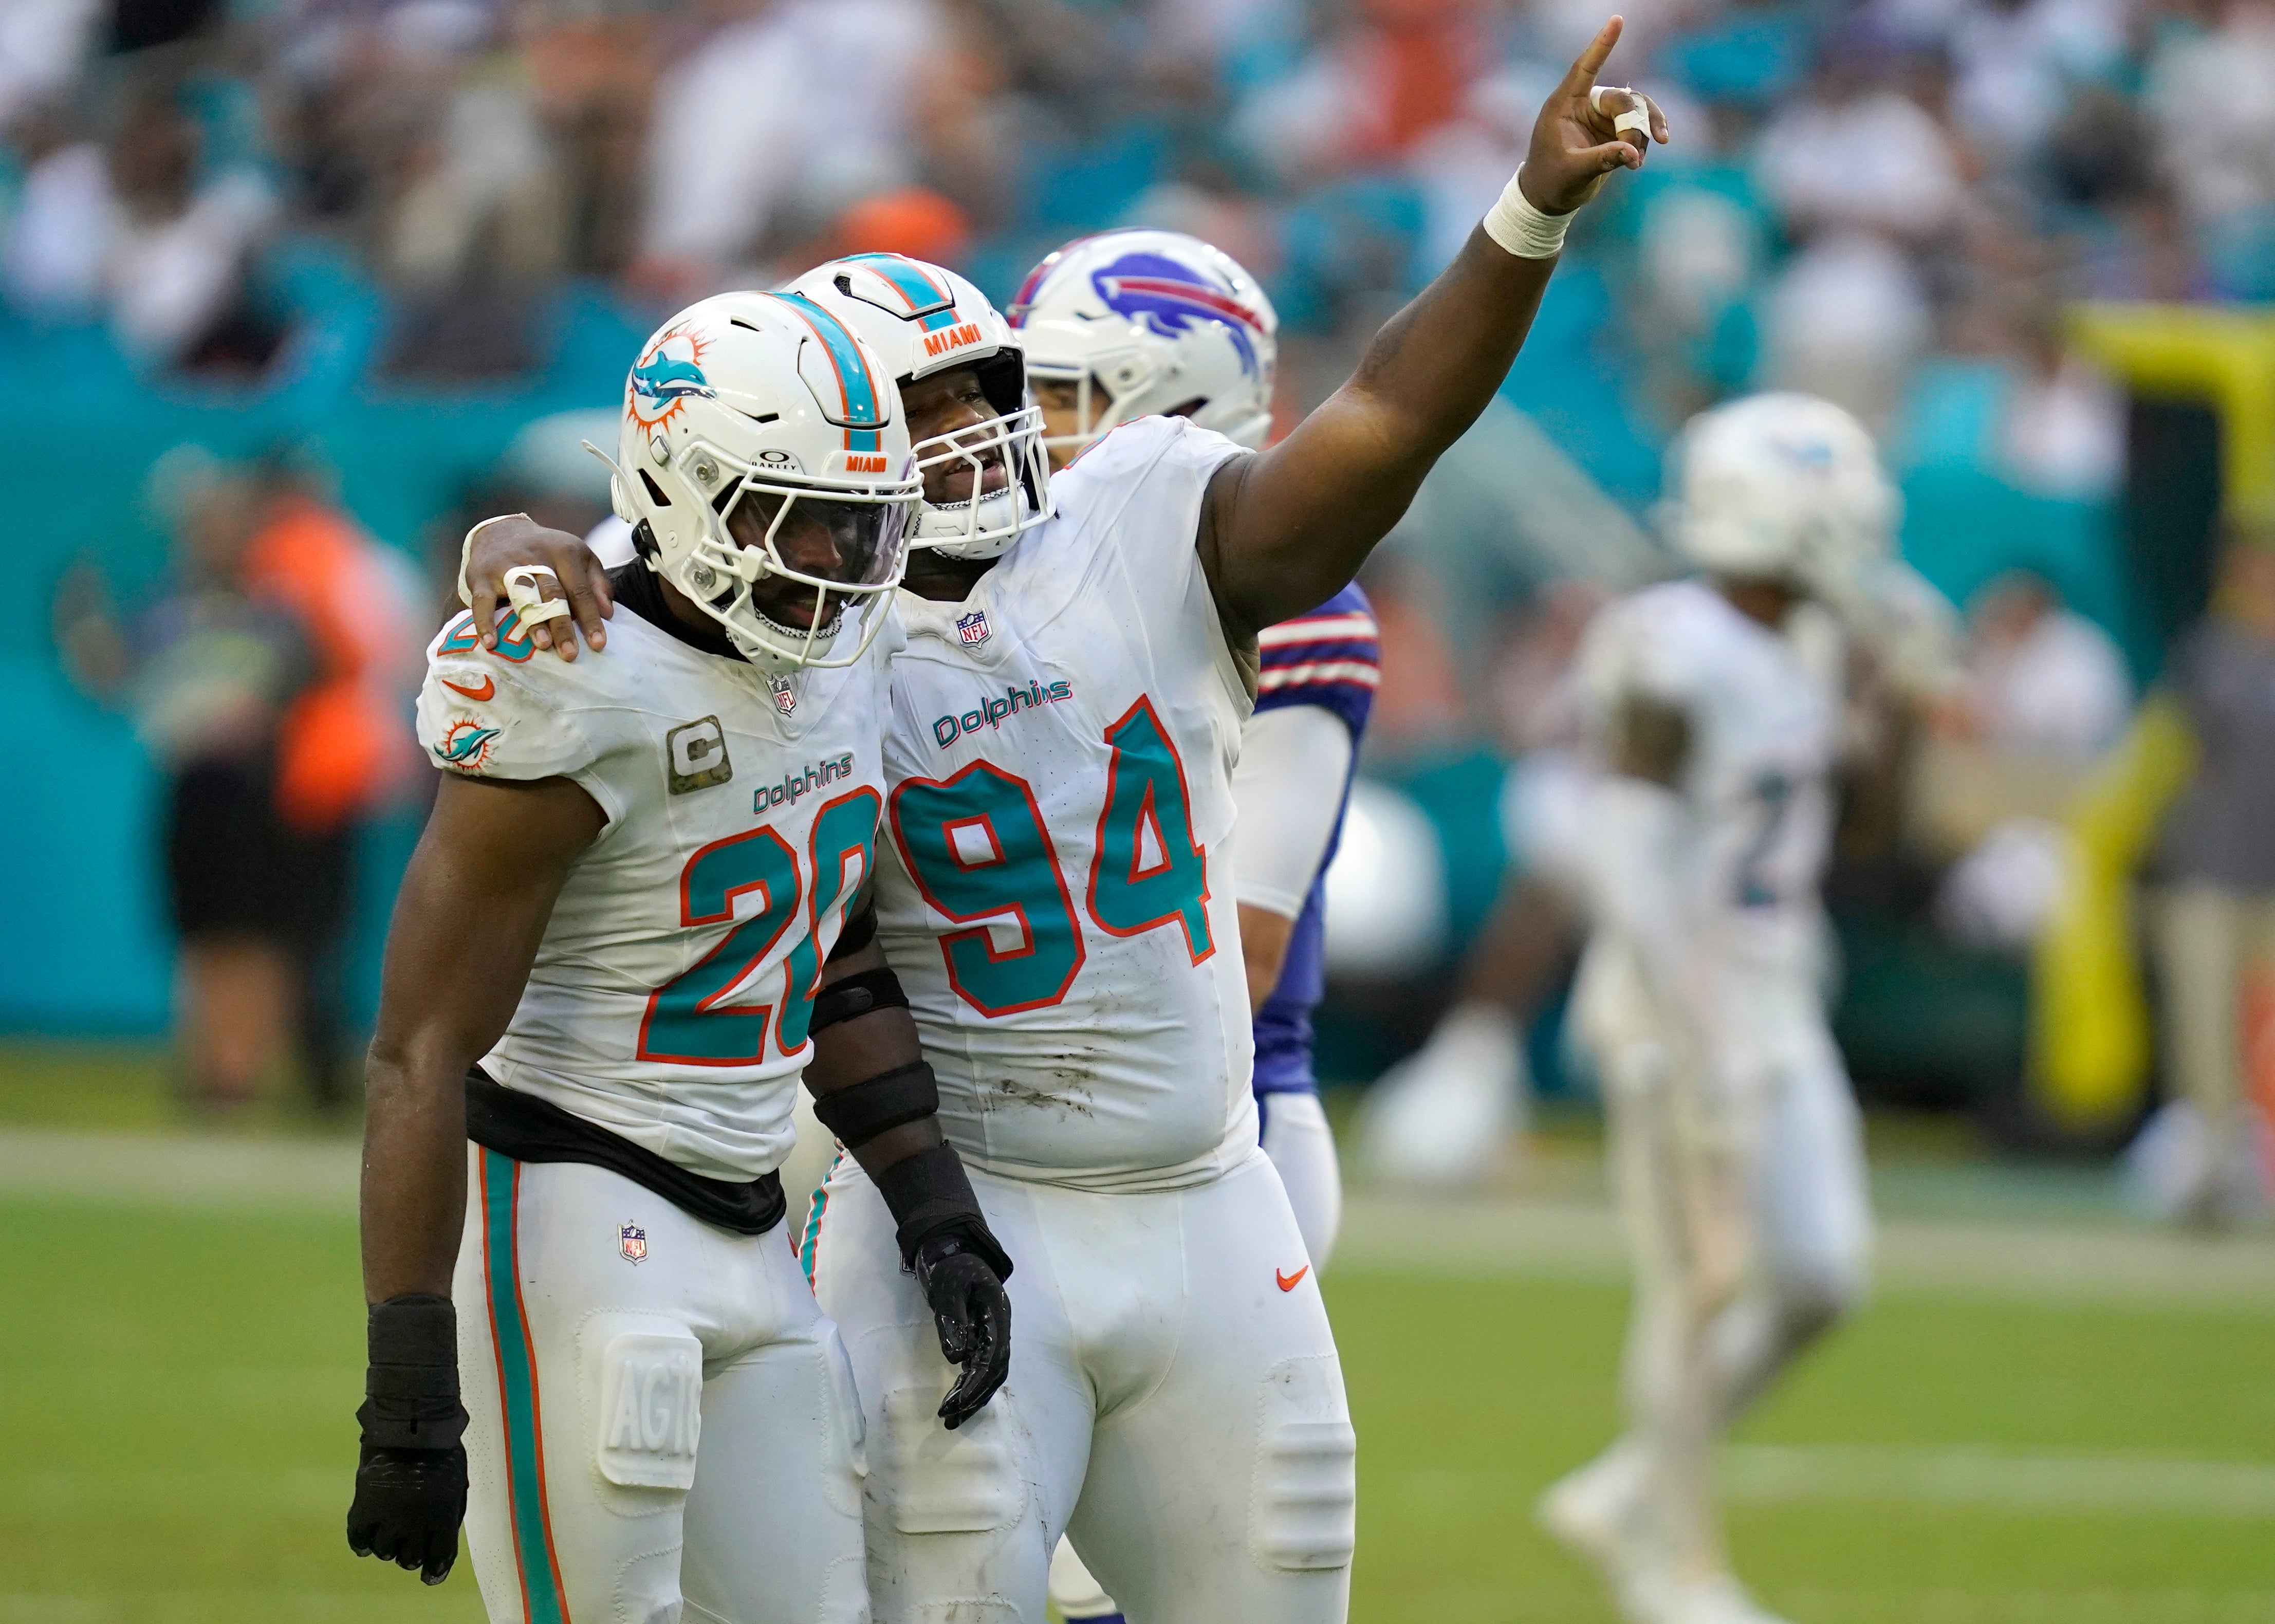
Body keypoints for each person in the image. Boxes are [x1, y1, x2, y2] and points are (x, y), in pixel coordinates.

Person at [469, 33, 1667, 1620]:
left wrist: (1522, 214)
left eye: (994, 390)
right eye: (932, 405)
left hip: (1206, 1193)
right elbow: (624, 563)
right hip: (969, 1207)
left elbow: (1384, 418)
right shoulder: (799, 616)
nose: (976, 430)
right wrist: (515, 540)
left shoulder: (1149, 508)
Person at [345, 291, 1015, 1623]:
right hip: (574, 1206)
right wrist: (409, 1379)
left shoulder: (848, 643)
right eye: (801, 513)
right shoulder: (574, 673)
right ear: (688, 490)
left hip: (749, 1218)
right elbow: (419, 1049)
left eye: (862, 517)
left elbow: (827, 957)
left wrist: (936, 1212)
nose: (840, 556)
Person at [1015, 227, 1381, 1624]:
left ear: (1166, 409)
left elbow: (1252, 936)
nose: (1022, 428)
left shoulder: (1289, 608)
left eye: (1058, 394)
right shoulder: (1014, 573)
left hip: (1207, 1148)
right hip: (1055, 1151)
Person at [1543, 393, 1923, 1624]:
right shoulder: (1670, 643)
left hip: (1776, 986)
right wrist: (1684, 1031)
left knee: (1820, 1277)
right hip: (1676, 1001)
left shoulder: (1810, 641)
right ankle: (1674, 1565)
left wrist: (1903, 702)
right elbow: (1630, 863)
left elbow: (1863, 832)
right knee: (1699, 1281)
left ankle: (1631, 1484)